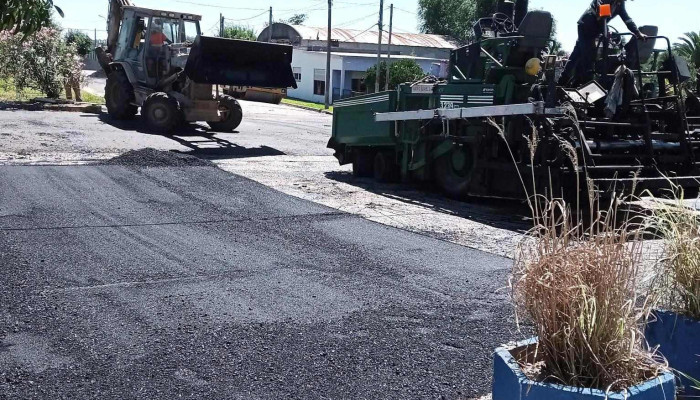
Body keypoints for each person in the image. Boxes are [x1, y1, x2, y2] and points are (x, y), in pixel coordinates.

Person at [559, 0, 647, 86]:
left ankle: (565, 82)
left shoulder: (620, 3)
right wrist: (605, 32)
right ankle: (586, 85)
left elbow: (627, 19)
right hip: (587, 25)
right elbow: (601, 17)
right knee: (588, 57)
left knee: (577, 54)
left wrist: (638, 33)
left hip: (596, 28)